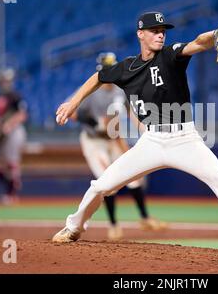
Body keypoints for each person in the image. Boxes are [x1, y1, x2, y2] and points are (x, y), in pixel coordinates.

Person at [52, 11, 218, 249]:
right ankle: (73, 228)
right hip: (151, 140)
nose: (160, 35)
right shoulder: (126, 68)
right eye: (154, 31)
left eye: (163, 31)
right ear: (140, 34)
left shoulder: (170, 55)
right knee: (101, 186)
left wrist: (215, 35)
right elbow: (98, 77)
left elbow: (197, 43)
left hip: (185, 139)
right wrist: (73, 103)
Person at [70, 52, 167, 240]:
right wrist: (96, 122)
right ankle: (113, 225)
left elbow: (131, 114)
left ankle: (144, 218)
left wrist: (146, 132)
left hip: (113, 138)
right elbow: (72, 112)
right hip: (94, 141)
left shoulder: (119, 90)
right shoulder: (92, 90)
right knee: (107, 180)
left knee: (134, 178)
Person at [0, 68, 27, 205]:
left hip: (14, 131)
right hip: (1, 133)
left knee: (11, 162)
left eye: (6, 80)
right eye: (2, 80)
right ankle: (10, 184)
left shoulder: (16, 96)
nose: (4, 83)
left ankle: (11, 193)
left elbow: (22, 115)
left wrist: (9, 124)